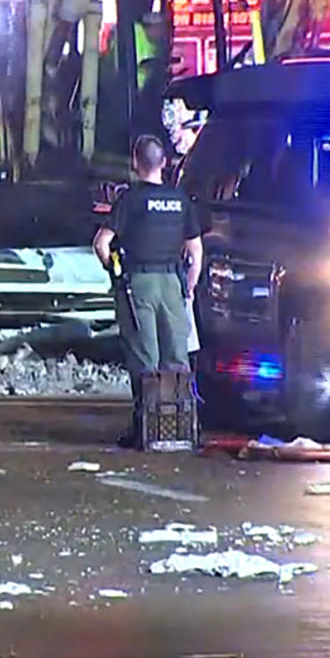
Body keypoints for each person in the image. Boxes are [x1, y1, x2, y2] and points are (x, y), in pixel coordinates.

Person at [92, 135, 203, 449]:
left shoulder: (130, 200)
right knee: (177, 358)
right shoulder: (180, 199)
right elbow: (195, 250)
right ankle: (180, 426)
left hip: (138, 284)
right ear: (165, 162)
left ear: (135, 163)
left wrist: (115, 272)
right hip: (172, 284)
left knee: (145, 358)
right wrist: (189, 287)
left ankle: (145, 430)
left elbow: (101, 244)